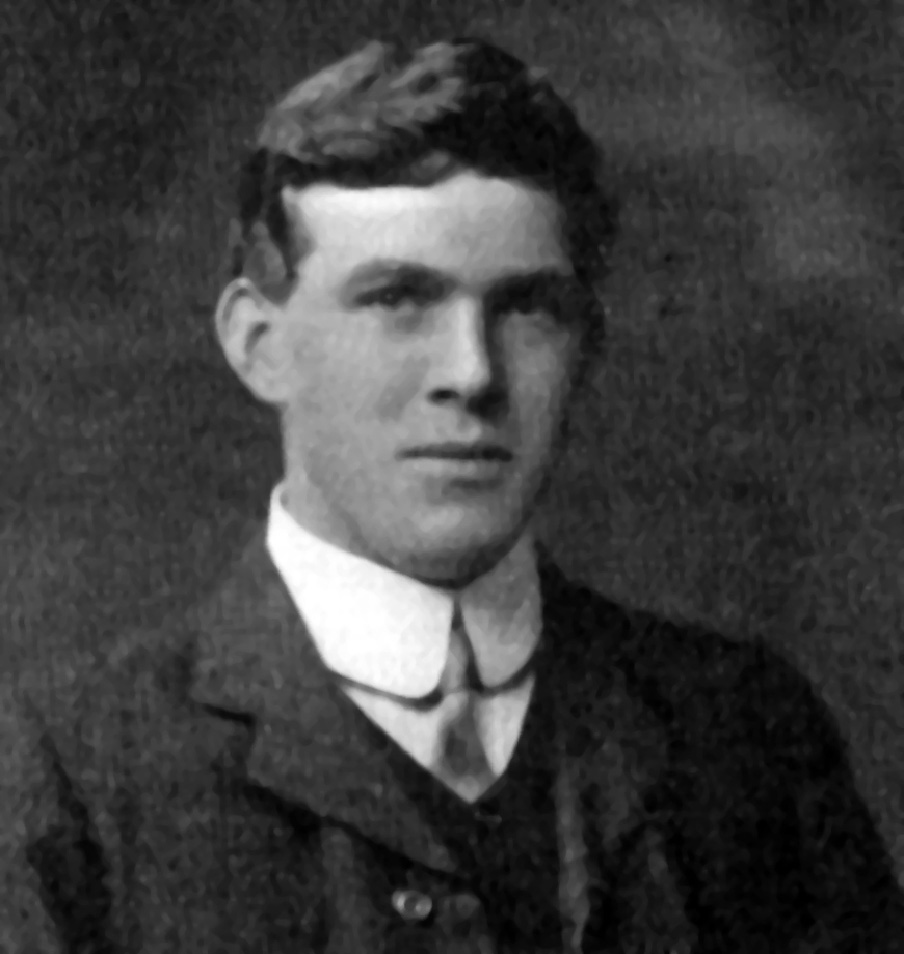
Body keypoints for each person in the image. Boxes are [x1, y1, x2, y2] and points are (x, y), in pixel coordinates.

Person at [3, 35, 902, 954]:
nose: (472, 373)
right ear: (259, 345)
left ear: (585, 344)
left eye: (527, 308)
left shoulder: (748, 733)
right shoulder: (66, 775)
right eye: (399, 301)